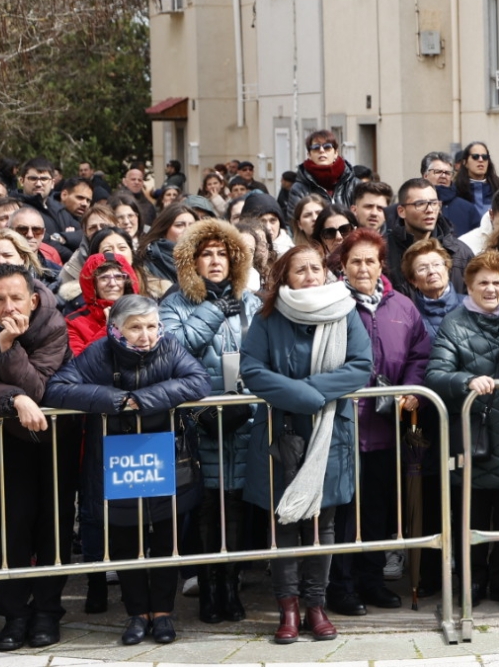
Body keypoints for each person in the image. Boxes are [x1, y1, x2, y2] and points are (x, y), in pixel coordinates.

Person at [46, 295, 210, 645]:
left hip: (162, 454)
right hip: (115, 459)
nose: (146, 335)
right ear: (117, 329)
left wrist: (143, 399)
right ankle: (137, 613)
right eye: (136, 327)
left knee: (165, 536)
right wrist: (115, 400)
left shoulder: (169, 346)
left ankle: (163, 613)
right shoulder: (100, 352)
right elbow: (57, 389)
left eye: (151, 326)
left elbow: (198, 381)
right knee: (124, 537)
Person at [241, 244, 372, 644]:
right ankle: (288, 609)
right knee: (285, 522)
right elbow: (252, 369)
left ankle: (316, 605)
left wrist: (310, 392)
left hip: (330, 432)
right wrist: (304, 396)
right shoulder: (268, 316)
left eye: (316, 268)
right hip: (280, 433)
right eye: (301, 270)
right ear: (285, 276)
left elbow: (360, 366)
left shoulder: (345, 310)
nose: (311, 276)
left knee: (322, 523)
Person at [0, 263, 73, 650]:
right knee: (14, 524)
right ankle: (14, 614)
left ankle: (47, 612)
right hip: (11, 434)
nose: (9, 307)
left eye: (16, 298)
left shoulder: (53, 324)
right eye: (0, 300)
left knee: (54, 524)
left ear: (33, 300)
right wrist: (15, 399)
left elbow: (38, 387)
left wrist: (9, 348)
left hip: (56, 435)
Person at [159, 217, 261, 623]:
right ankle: (208, 590)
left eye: (223, 254)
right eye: (206, 254)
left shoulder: (250, 301)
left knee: (235, 505)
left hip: (243, 419)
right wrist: (212, 312)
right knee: (204, 508)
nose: (216, 261)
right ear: (192, 262)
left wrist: (251, 406)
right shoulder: (175, 302)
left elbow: (262, 356)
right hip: (198, 420)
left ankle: (230, 587)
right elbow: (171, 350)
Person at [326, 228, 431, 616]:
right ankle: (341, 585)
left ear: (381, 265)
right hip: (342, 427)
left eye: (370, 261)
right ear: (343, 265)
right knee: (343, 512)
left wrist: (413, 389)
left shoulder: (402, 306)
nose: (363, 268)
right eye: (355, 261)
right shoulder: (330, 304)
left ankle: (371, 580)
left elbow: (421, 354)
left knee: (375, 509)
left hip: (385, 428)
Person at [426, 249, 499, 610]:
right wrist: (466, 380)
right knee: (471, 514)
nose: (490, 289)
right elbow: (435, 374)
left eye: (498, 282)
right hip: (474, 436)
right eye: (482, 282)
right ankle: (472, 580)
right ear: (468, 286)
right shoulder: (454, 323)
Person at [387, 179, 473, 294]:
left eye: (434, 203)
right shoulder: (385, 251)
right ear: (401, 211)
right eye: (420, 204)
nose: (430, 210)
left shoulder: (460, 252)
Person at [64, 252, 142, 355]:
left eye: (118, 277)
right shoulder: (73, 323)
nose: (112, 284)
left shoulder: (143, 313)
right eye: (104, 278)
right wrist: (108, 329)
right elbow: (78, 361)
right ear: (93, 284)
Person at [286, 129, 360, 210]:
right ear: (309, 155)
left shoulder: (355, 185)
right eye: (316, 147)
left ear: (336, 153)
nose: (321, 150)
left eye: (327, 147)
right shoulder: (299, 189)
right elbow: (295, 217)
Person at [136, 204, 199, 297]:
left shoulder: (205, 258)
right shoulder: (147, 259)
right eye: (179, 225)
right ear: (164, 229)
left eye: (192, 226)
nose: (187, 230)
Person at [402, 238, 457, 336]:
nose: (432, 271)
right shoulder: (409, 318)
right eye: (422, 268)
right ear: (413, 281)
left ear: (447, 268)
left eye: (436, 264)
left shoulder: (472, 306)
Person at [454, 142, 499, 226]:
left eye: (485, 157)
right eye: (475, 156)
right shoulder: (456, 188)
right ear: (465, 162)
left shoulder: (498, 187)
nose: (481, 160)